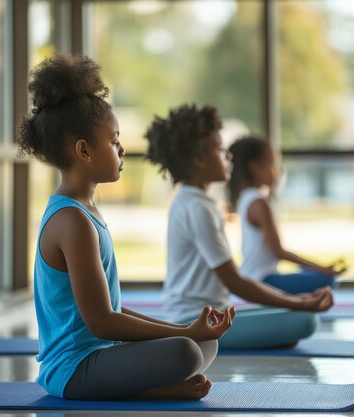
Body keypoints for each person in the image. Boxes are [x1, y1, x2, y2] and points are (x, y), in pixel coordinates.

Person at [17, 54, 234, 401]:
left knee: (203, 344)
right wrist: (183, 336)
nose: (121, 149)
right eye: (114, 140)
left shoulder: (86, 213)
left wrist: (187, 330)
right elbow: (101, 322)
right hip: (73, 370)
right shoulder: (72, 221)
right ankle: (158, 389)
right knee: (187, 352)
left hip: (102, 356)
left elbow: (111, 310)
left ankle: (158, 382)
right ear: (84, 150)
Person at [144, 104, 333, 350]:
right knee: (305, 321)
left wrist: (292, 301)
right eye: (221, 150)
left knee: (299, 320)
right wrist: (298, 303)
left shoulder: (192, 200)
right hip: (197, 323)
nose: (229, 156)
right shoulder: (199, 208)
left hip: (211, 317)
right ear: (200, 158)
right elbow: (235, 282)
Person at [227, 136, 348, 295]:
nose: (277, 170)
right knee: (327, 280)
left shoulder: (247, 197)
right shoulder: (259, 203)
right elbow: (278, 252)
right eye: (271, 164)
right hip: (262, 279)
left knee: (314, 275)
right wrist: (322, 268)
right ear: (254, 167)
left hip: (254, 275)